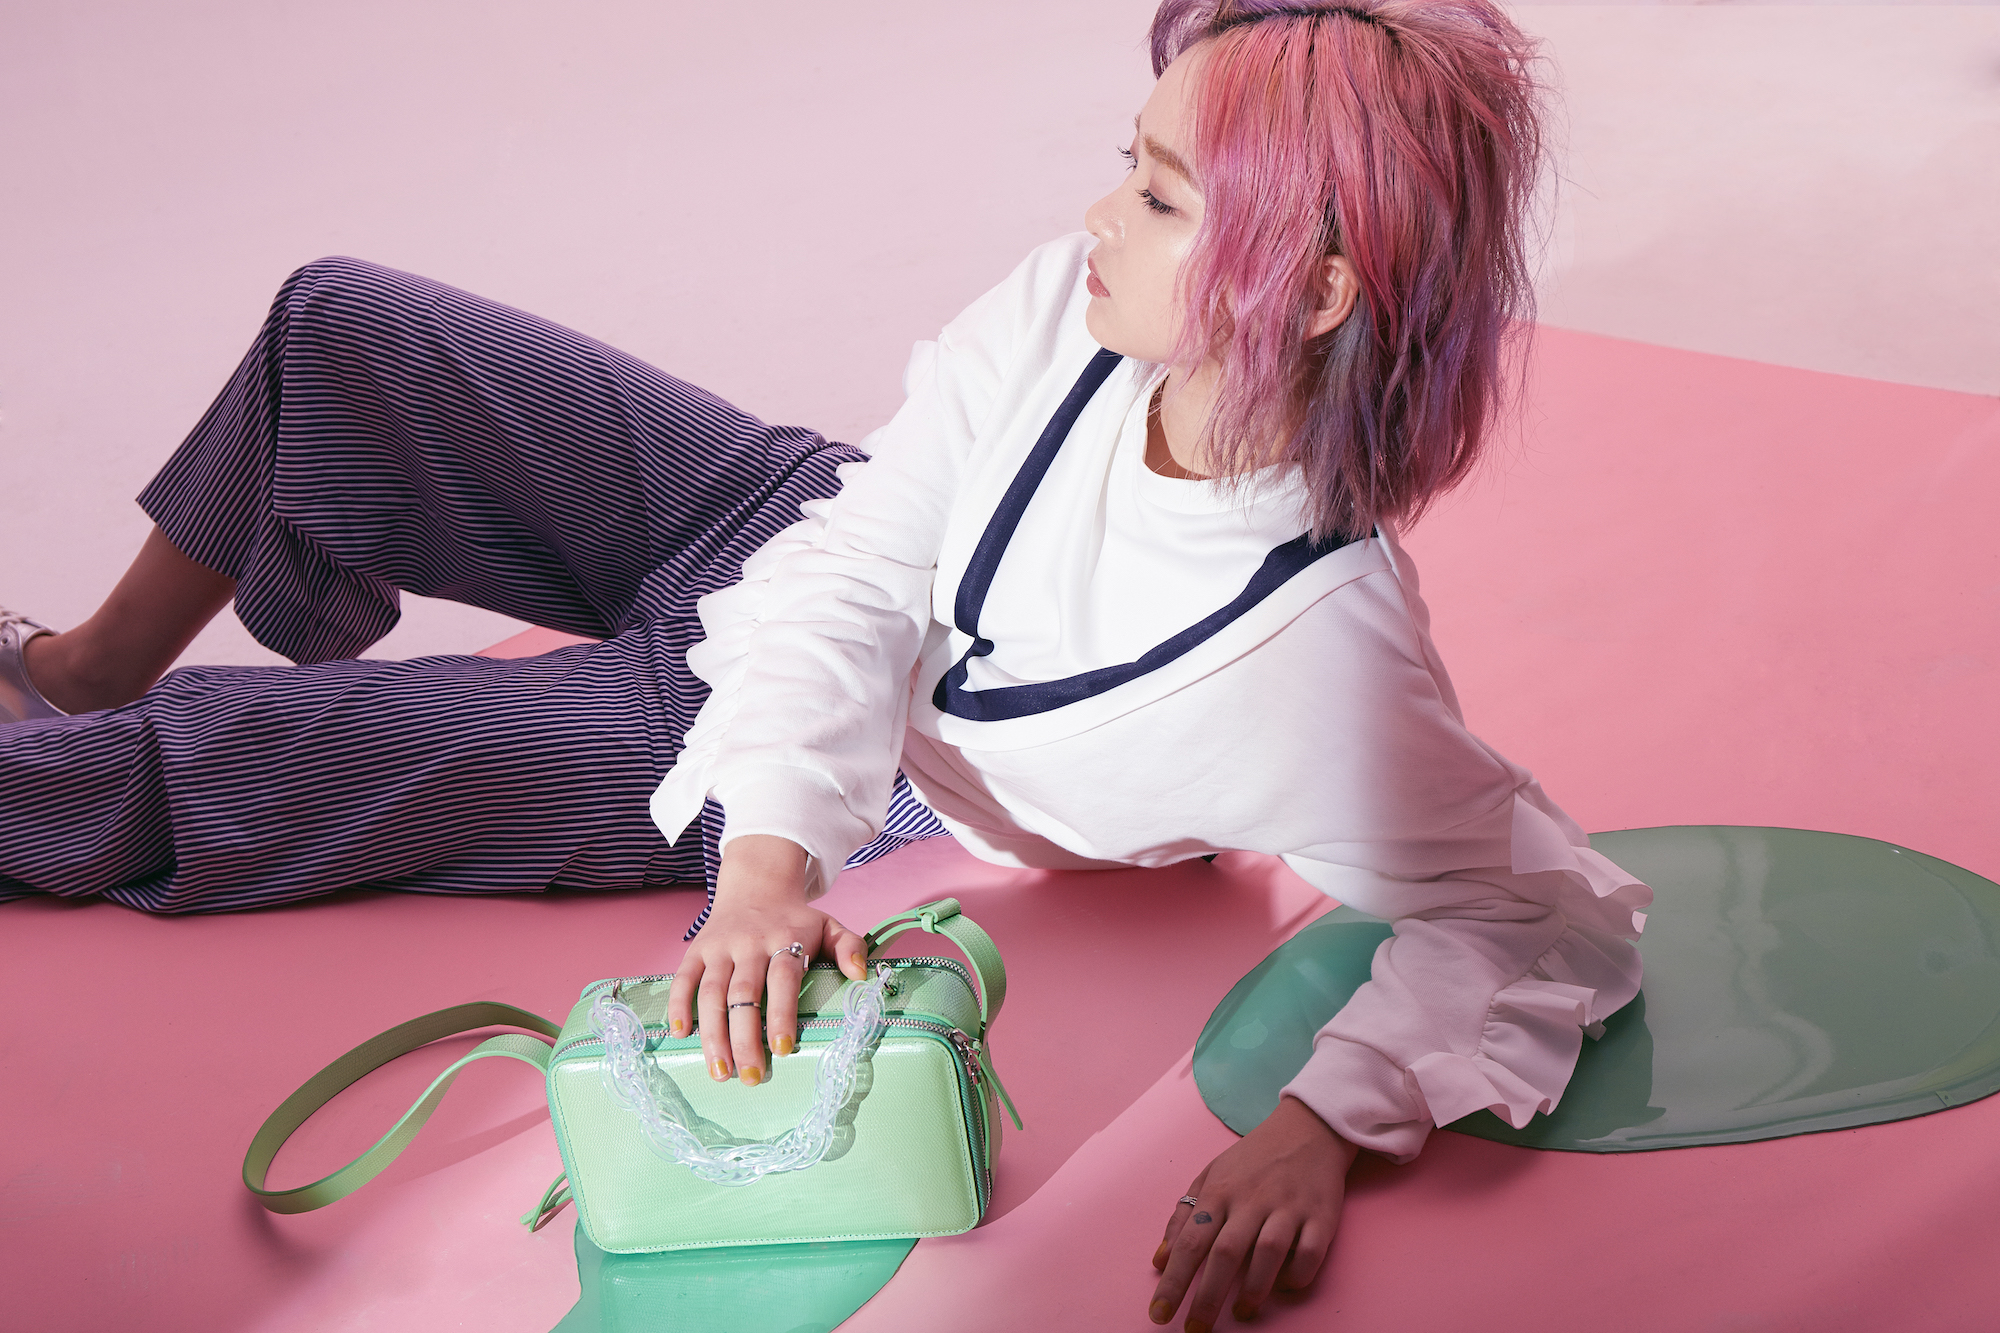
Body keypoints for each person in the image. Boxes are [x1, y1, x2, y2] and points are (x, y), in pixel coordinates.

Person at [1, 1, 1651, 1328]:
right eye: (1128, 166)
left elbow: (1539, 909)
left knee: (233, 760)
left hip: (851, 771)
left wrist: (1324, 1121)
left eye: (1159, 199)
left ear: (1318, 287)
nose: (1098, 216)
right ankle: (77, 665)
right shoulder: (1075, 311)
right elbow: (863, 548)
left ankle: (58, 752)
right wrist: (765, 875)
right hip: (781, 533)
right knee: (344, 325)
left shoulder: (1322, 659)